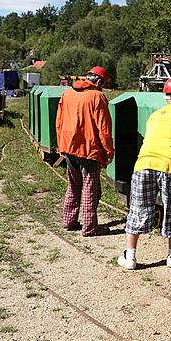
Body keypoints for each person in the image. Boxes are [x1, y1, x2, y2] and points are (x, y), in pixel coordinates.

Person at [117, 77, 171, 270]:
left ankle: (130, 256)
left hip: (144, 165)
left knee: (137, 210)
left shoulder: (154, 116)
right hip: (170, 168)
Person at [56, 66, 114, 237]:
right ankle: (89, 228)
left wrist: (61, 145)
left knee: (73, 186)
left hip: (68, 147)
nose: (102, 88)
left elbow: (59, 122)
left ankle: (68, 221)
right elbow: (104, 129)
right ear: (98, 81)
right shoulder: (97, 97)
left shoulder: (67, 94)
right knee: (90, 188)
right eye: (102, 84)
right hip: (89, 150)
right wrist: (109, 151)